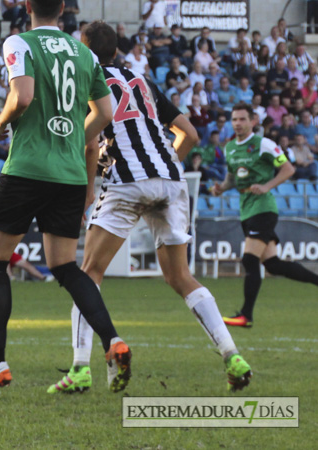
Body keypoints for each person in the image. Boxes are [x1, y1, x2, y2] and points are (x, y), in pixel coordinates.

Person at [47, 21, 252, 394]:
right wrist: (162, 169)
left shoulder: (86, 80)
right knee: (181, 278)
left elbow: (91, 144)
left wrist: (87, 191)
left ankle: (80, 370)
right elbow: (188, 134)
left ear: (87, 49)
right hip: (171, 181)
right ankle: (232, 355)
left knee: (87, 274)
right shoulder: (141, 81)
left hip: (126, 181)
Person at [0, 0, 127, 396]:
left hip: (28, 168)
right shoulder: (83, 53)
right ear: (65, 5)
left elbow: (24, 96)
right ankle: (113, 341)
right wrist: (72, 139)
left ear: (27, 5)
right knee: (67, 267)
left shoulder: (19, 42)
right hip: (70, 175)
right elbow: (105, 113)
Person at [212, 103, 318, 328]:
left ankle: (245, 315)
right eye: (234, 120)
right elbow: (232, 178)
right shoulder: (230, 148)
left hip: (264, 209)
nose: (238, 124)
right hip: (246, 210)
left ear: (253, 122)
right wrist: (221, 188)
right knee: (272, 264)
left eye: (242, 119)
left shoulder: (264, 145)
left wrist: (267, 185)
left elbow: (288, 169)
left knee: (250, 260)